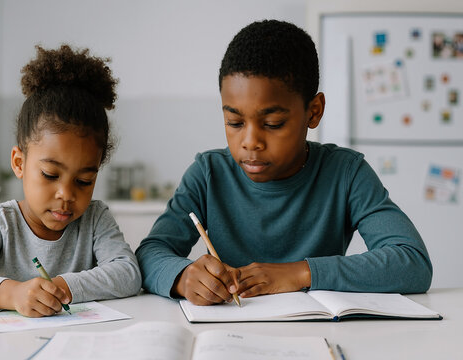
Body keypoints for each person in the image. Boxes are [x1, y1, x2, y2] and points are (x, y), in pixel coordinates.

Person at [135, 20, 432, 306]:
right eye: (234, 122)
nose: (250, 142)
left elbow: (411, 261)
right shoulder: (208, 173)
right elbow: (150, 252)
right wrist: (183, 277)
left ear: (314, 112)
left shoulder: (346, 173)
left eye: (273, 123)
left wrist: (299, 273)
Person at [0, 44, 142, 316]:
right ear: (19, 163)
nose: (66, 194)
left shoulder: (95, 219)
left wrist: (61, 286)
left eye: (84, 181)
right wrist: (12, 293)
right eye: (50, 175)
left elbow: (128, 273)